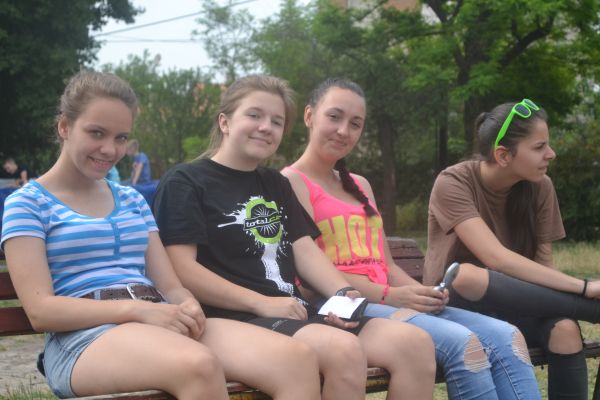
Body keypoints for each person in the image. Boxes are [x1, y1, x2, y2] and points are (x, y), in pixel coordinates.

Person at [0, 70, 324, 400]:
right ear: (64, 127)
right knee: (197, 365)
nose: (109, 149)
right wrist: (135, 310)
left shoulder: (130, 199)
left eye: (121, 138)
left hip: (156, 319)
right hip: (81, 339)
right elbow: (41, 311)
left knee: (295, 360)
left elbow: (170, 285)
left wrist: (186, 305)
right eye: (96, 133)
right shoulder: (28, 204)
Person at [153, 74, 437, 400]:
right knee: (343, 350)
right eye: (254, 115)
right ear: (225, 121)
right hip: (229, 316)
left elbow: (305, 250)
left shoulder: (275, 184)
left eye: (277, 121)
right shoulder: (186, 181)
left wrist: (343, 296)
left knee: (414, 344)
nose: (266, 127)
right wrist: (261, 302)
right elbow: (181, 268)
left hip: (294, 312)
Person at [283, 78, 541, 400]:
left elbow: (386, 265)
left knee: (507, 336)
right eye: (334, 117)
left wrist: (421, 294)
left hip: (385, 300)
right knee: (463, 344)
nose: (343, 130)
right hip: (338, 307)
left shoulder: (360, 184)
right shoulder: (291, 181)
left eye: (355, 124)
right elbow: (313, 273)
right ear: (309, 116)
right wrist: (393, 296)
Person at [424, 98, 600, 399]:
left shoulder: (541, 186)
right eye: (539, 147)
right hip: (453, 307)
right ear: (503, 155)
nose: (551, 154)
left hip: (518, 304)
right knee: (467, 274)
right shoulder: (453, 182)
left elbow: (543, 266)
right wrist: (584, 288)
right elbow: (495, 258)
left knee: (565, 329)